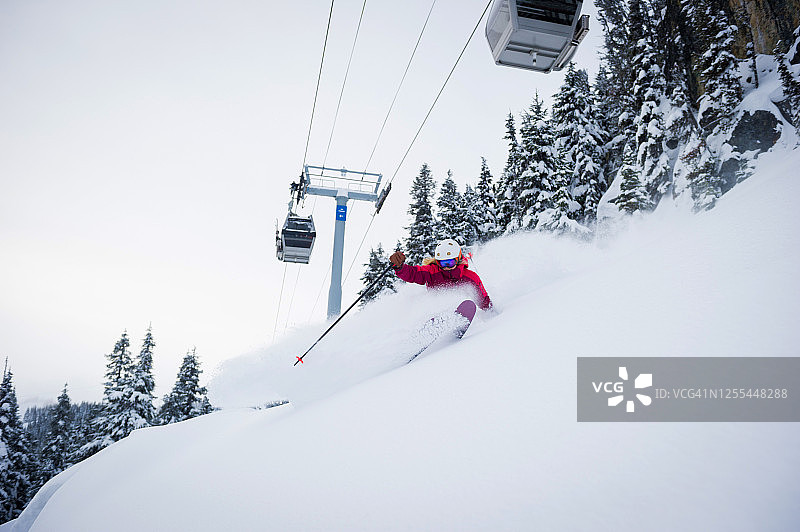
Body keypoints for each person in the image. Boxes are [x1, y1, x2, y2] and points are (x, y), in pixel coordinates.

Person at [389, 239, 493, 310]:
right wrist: (400, 268)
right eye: (442, 263)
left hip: (460, 307)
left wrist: (490, 313)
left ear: (458, 260)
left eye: (450, 262)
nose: (446, 266)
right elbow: (413, 274)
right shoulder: (432, 272)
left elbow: (483, 300)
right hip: (435, 308)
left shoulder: (470, 277)